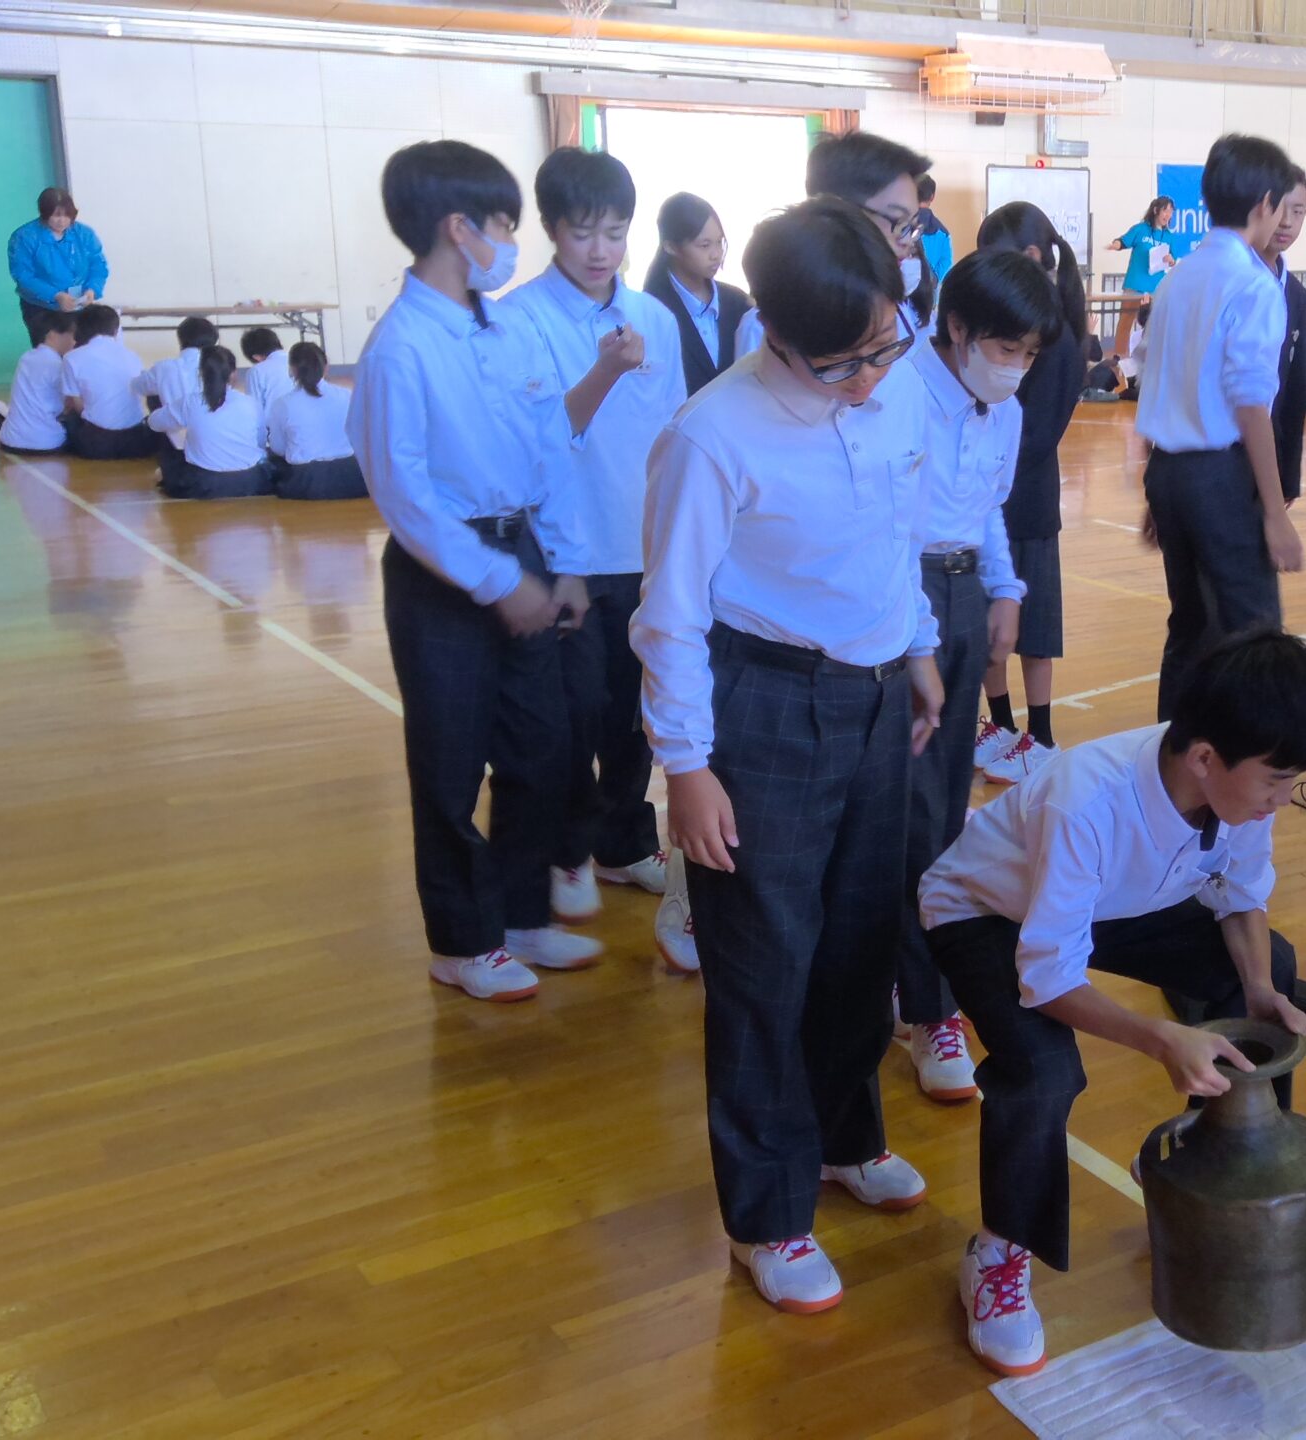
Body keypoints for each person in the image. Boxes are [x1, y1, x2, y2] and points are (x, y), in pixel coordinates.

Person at [632, 196, 944, 1315]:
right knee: (765, 965)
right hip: (758, 707)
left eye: (883, 346)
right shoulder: (712, 434)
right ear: (773, 333)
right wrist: (688, 766)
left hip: (871, 698)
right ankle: (766, 1213)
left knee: (862, 938)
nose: (870, 378)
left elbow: (896, 528)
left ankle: (843, 1138)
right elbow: (666, 616)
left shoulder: (892, 377)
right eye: (841, 363)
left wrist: (914, 645)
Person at [918, 629, 1306, 1377]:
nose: (1281, 800)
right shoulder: (1088, 801)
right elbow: (1048, 975)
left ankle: (1213, 1159)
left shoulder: (1238, 792)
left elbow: (1238, 899)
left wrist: (1263, 991)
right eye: (1274, 781)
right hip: (985, 910)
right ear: (1205, 758)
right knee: (1043, 1070)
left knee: (1261, 983)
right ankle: (999, 1253)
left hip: (1115, 901)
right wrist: (1161, 1038)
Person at [348, 139, 599, 1004]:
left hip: (522, 548)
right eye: (503, 225)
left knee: (542, 746)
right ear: (460, 228)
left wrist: (557, 564)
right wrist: (498, 582)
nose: (509, 241)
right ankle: (461, 939)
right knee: (451, 763)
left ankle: (525, 913)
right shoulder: (399, 349)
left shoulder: (504, 326)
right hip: (442, 574)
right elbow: (407, 500)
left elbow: (545, 447)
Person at [500, 146, 693, 968]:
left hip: (642, 544)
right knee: (568, 714)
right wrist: (606, 373)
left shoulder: (653, 315)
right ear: (551, 229)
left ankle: (621, 842)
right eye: (584, 232)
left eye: (615, 231)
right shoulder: (519, 320)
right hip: (563, 549)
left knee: (632, 713)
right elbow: (539, 441)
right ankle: (566, 847)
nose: (601, 249)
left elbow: (680, 432)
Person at [897, 249, 1064, 1104]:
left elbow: (989, 507)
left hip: (963, 592)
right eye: (1008, 348)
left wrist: (1005, 588)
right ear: (956, 328)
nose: (1018, 367)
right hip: (898, 599)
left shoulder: (1000, 409)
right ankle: (919, 1002)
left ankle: (923, 996)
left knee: (940, 802)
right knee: (901, 806)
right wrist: (924, 631)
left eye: (1031, 354)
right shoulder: (896, 395)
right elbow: (886, 530)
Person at [1134, 133, 1303, 722]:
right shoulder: (1254, 284)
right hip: (1217, 476)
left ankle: (1172, 762)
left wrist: (1160, 489)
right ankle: (1245, 777)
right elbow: (1252, 404)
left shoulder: (1177, 278)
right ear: (1265, 203)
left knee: (1191, 626)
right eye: (1284, 205)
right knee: (1253, 630)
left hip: (1170, 471)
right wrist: (1276, 512)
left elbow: (1161, 381)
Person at [973, 203, 1090, 786]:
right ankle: (1000, 725)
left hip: (1029, 500)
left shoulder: (1059, 338)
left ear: (1030, 259)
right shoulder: (1009, 326)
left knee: (1034, 628)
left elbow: (1037, 435)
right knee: (989, 620)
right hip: (988, 498)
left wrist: (984, 461)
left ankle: (1040, 734)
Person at [733, 131, 936, 358]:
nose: (907, 241)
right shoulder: (770, 325)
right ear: (837, 210)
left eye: (912, 225)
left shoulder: (900, 306)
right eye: (898, 222)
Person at [643, 192, 754, 395]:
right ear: (670, 246)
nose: (716, 254)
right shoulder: (651, 312)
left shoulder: (738, 303)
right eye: (704, 245)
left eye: (720, 242)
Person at [148, 346, 274, 499]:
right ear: (233, 374)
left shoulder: (190, 402)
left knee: (170, 463)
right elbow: (260, 442)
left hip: (204, 483)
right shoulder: (251, 403)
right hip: (250, 481)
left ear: (201, 373)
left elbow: (154, 423)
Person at [1265, 167, 1306, 507]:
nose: (1287, 222)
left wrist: (1289, 478)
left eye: (1297, 212)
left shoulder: (1296, 294)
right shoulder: (1228, 283)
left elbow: (1296, 390)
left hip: (1271, 454)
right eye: (1279, 209)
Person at [6, 187, 107, 347]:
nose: (62, 221)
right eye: (56, 215)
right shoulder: (24, 237)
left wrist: (92, 289)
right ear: (44, 214)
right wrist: (55, 295)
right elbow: (23, 275)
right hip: (41, 308)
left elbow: (98, 265)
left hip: (78, 305)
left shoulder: (84, 233)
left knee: (79, 350)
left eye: (67, 216)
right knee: (49, 353)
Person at [263, 342, 364, 499]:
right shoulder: (346, 395)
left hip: (307, 482)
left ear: (292, 370)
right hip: (350, 478)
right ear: (326, 367)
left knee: (271, 460)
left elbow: (278, 448)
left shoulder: (283, 403)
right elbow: (359, 436)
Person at [59, 305, 156, 460]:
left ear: (81, 328)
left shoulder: (72, 358)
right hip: (135, 443)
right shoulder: (132, 356)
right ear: (116, 330)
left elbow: (75, 404)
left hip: (96, 445)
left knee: (68, 417)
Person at [0, 311, 77, 455]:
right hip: (47, 444)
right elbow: (67, 406)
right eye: (72, 335)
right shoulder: (58, 364)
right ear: (53, 334)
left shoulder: (26, 358)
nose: (74, 341)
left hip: (11, 442)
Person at [1110, 196, 1179, 314]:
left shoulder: (1168, 236)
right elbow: (1123, 241)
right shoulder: (1141, 229)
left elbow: (1174, 261)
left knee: (1152, 325)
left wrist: (1171, 260)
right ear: (1156, 210)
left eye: (1170, 212)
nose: (1168, 215)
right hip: (1135, 286)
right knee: (1125, 324)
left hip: (1156, 288)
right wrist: (1115, 244)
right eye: (1165, 211)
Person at [138, 315, 218, 411]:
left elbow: (136, 386)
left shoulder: (164, 367)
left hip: (172, 423)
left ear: (181, 340)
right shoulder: (221, 367)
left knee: (154, 391)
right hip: (215, 423)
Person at [914, 172, 955, 282]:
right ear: (932, 197)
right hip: (930, 291)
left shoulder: (900, 225)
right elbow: (947, 261)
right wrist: (934, 279)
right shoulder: (943, 232)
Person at [238, 327, 289, 409]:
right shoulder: (300, 361)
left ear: (256, 357)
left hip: (272, 421)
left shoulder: (256, 371)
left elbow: (255, 409)